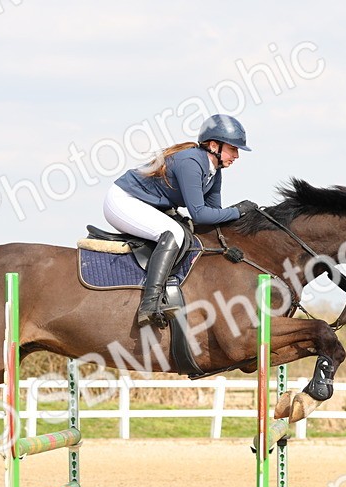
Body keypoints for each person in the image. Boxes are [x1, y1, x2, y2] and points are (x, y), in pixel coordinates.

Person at [105, 113, 260, 327]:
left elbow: (212, 215)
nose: (237, 155)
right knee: (175, 234)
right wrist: (237, 211)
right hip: (123, 201)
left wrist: (228, 246)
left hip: (148, 205)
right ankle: (149, 304)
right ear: (213, 145)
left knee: (186, 230)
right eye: (233, 149)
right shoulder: (191, 162)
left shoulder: (214, 170)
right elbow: (200, 214)